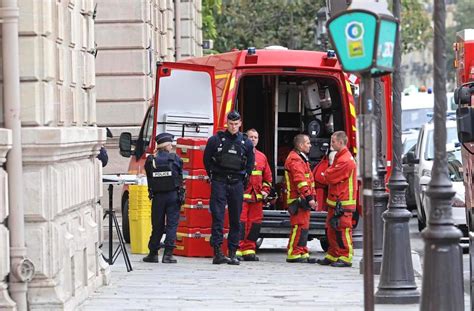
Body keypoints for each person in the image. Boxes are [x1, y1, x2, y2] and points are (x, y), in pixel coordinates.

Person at [203, 111, 255, 265]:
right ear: (227, 123)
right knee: (218, 217)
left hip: (236, 183)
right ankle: (218, 252)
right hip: (219, 181)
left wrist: (244, 178)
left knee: (235, 219)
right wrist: (213, 175)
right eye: (231, 124)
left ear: (240, 124)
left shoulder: (246, 142)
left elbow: (250, 164)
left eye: (236, 124)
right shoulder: (215, 140)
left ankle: (232, 253)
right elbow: (206, 160)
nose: (233, 127)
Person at [316, 131, 357, 267]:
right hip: (336, 201)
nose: (331, 144)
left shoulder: (345, 160)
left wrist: (327, 172)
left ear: (340, 142)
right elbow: (329, 174)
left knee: (343, 230)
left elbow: (329, 176)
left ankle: (345, 256)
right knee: (331, 229)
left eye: (333, 141)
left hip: (343, 202)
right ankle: (333, 254)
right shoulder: (340, 157)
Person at [142, 133, 184, 264]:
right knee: (172, 225)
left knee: (157, 225)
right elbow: (180, 175)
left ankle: (153, 253)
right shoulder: (175, 158)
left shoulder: (151, 160)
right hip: (173, 195)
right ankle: (168, 255)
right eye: (170, 144)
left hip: (158, 196)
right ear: (166, 145)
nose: (172, 146)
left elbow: (149, 176)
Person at [236, 129, 272, 261]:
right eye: (251, 137)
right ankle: (237, 249)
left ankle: (249, 249)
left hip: (257, 198)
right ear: (246, 138)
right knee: (241, 223)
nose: (253, 139)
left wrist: (265, 191)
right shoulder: (238, 154)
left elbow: (268, 178)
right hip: (242, 197)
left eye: (255, 137)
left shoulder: (262, 157)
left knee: (255, 224)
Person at [284, 134, 318, 263]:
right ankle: (293, 252)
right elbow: (300, 181)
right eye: (308, 143)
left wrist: (312, 197)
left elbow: (308, 180)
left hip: (302, 198)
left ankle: (302, 250)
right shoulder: (295, 160)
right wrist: (310, 197)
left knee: (304, 226)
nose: (310, 145)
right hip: (297, 199)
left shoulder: (301, 159)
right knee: (299, 226)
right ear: (300, 145)